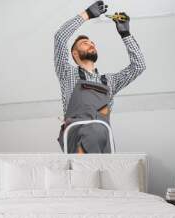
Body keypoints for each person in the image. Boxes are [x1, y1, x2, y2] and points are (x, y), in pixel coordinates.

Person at [54, 1, 146, 153]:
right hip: (76, 139)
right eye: (85, 43)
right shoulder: (67, 73)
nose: (91, 45)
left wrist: (126, 34)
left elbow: (139, 66)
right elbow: (60, 38)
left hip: (104, 141)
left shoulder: (109, 81)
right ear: (75, 54)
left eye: (92, 43)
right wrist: (86, 14)